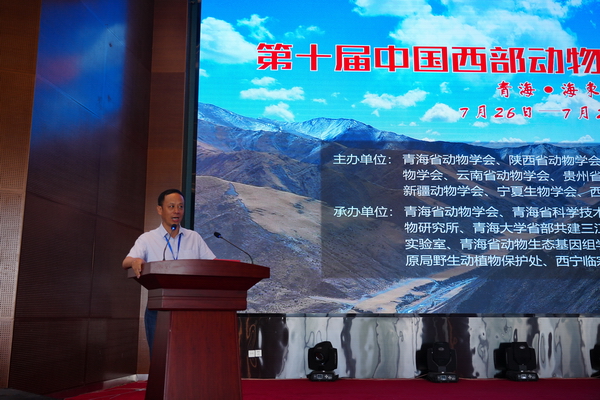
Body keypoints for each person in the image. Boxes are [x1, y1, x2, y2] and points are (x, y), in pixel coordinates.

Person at [122, 188, 216, 354]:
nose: (177, 211)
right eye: (171, 206)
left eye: (180, 206)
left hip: (190, 306)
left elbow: (213, 264)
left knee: (189, 355)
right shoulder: (148, 238)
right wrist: (136, 260)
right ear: (160, 209)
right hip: (159, 306)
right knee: (160, 356)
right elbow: (126, 262)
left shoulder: (194, 237)